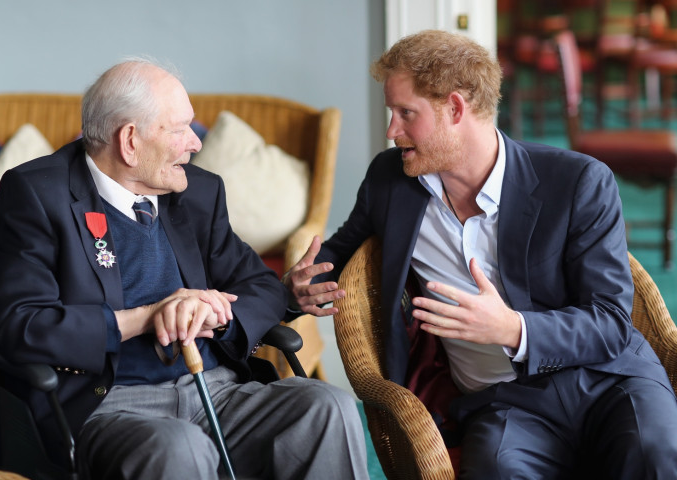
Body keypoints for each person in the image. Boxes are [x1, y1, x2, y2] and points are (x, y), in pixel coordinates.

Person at [284, 30, 677, 479]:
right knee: (493, 469)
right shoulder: (390, 181)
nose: (391, 130)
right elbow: (338, 251)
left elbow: (610, 322)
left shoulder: (577, 182)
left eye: (405, 113)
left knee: (655, 454)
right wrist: (299, 287)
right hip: (504, 400)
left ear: (455, 108)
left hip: (607, 381)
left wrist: (513, 328)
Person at [0, 58, 369, 480]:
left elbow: (259, 285)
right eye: (179, 129)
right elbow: (22, 326)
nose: (195, 143)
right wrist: (148, 317)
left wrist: (215, 316)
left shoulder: (197, 191)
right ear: (130, 141)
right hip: (109, 402)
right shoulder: (39, 194)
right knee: (179, 448)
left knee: (328, 407)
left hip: (216, 388)